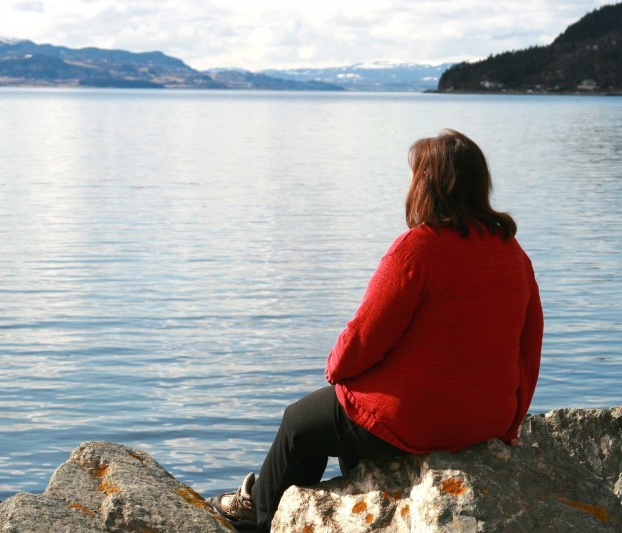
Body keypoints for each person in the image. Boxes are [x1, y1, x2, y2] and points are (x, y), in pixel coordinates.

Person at [208, 129, 544, 531]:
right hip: (486, 419)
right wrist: (509, 419)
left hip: (424, 420)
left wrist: (336, 371)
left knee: (299, 423)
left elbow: (365, 336)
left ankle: (260, 517)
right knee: (353, 421)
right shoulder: (511, 251)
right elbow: (530, 345)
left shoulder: (418, 248)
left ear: (427, 185)